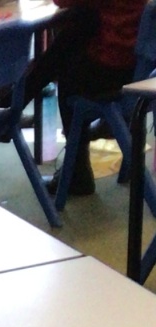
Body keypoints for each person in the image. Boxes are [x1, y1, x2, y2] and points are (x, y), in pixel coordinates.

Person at [29, 0, 146, 197]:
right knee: (73, 35)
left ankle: (77, 174)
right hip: (140, 68)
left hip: (115, 70)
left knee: (66, 62)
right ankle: (14, 104)